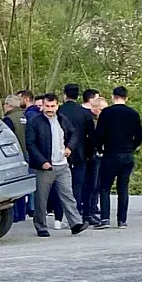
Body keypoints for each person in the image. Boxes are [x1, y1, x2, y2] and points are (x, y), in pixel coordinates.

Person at [24, 93, 87, 237]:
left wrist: (69, 147)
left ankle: (76, 223)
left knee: (68, 194)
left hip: (62, 165)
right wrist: (42, 161)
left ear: (57, 106)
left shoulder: (63, 120)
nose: (50, 109)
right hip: (44, 166)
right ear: (42, 106)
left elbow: (73, 134)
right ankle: (41, 226)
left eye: (52, 106)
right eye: (47, 106)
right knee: (41, 198)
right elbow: (30, 144)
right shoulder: (35, 122)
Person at [93, 86, 142, 229]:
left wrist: (99, 149)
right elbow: (139, 136)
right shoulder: (133, 113)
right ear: (126, 97)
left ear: (112, 96)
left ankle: (105, 219)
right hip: (127, 155)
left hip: (110, 154)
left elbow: (99, 134)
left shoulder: (107, 113)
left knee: (105, 188)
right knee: (123, 188)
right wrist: (131, 147)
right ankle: (122, 220)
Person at [57, 83, 95, 224]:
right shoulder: (84, 113)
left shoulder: (58, 111)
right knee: (78, 185)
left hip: (60, 152)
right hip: (80, 153)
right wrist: (90, 153)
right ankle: (76, 215)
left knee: (60, 186)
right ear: (78, 95)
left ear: (64, 94)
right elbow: (91, 136)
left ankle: (59, 216)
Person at [2, 94, 29, 222]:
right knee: (22, 186)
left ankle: (15, 216)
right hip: (27, 154)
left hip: (15, 156)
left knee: (14, 187)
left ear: (8, 105)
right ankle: (22, 214)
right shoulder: (25, 117)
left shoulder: (9, 120)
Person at [82, 96, 107, 226]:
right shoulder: (89, 120)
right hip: (92, 156)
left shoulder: (103, 120)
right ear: (94, 108)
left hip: (100, 155)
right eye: (101, 109)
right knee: (91, 185)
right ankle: (88, 212)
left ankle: (93, 209)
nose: (104, 112)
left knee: (97, 185)